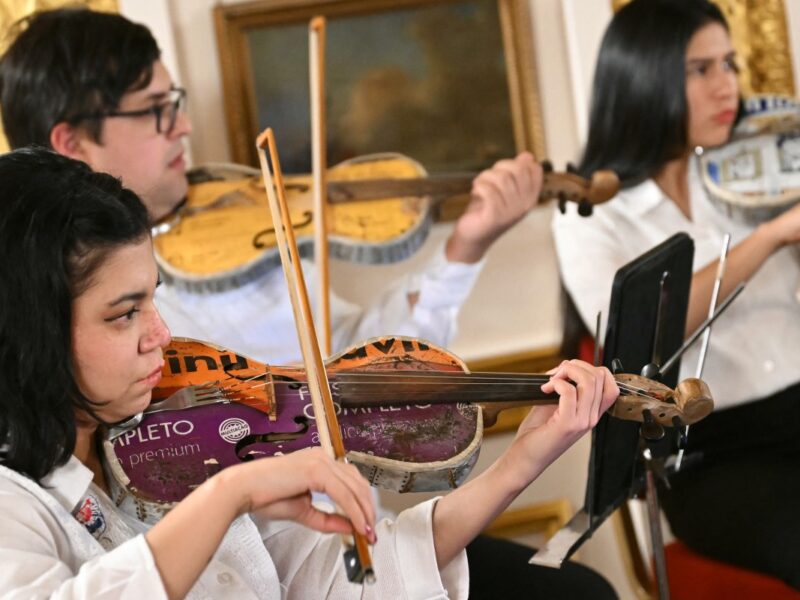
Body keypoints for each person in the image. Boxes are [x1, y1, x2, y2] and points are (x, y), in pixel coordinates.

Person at [0, 8, 619, 599]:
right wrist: (231, 495)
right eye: (124, 312)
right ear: (32, 327)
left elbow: (345, 583)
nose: (164, 337)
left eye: (152, 302)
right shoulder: (19, 503)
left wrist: (523, 459)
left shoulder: (167, 436)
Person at [0, 7, 541, 365]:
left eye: (176, 104)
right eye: (156, 111)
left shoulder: (240, 226)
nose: (183, 126)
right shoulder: (76, 324)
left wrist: (466, 246)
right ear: (72, 143)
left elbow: (363, 360)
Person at [552, 0, 800, 589]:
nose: (728, 87)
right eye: (701, 69)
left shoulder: (751, 172)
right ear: (644, 79)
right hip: (712, 456)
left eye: (730, 65)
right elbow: (642, 329)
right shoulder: (590, 216)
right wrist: (770, 235)